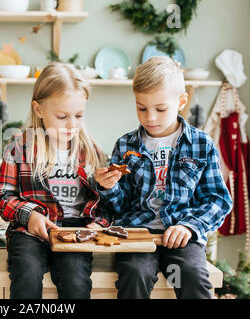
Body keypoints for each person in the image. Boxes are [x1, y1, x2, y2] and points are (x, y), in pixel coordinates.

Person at [95, 56, 233, 299]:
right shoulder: (126, 144)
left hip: (183, 235)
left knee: (192, 275)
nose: (150, 118)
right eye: (141, 108)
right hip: (136, 232)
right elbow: (119, 204)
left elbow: (217, 200)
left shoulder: (201, 144)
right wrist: (109, 187)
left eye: (160, 109)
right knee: (134, 272)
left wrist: (190, 226)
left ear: (181, 101)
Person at [0, 62, 111, 299]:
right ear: (38, 109)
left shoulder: (92, 150)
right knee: (26, 274)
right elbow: (3, 197)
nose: (72, 125)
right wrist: (30, 216)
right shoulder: (20, 146)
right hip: (29, 231)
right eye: (62, 116)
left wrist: (99, 222)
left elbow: (105, 202)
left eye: (79, 115)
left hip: (75, 230)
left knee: (76, 280)